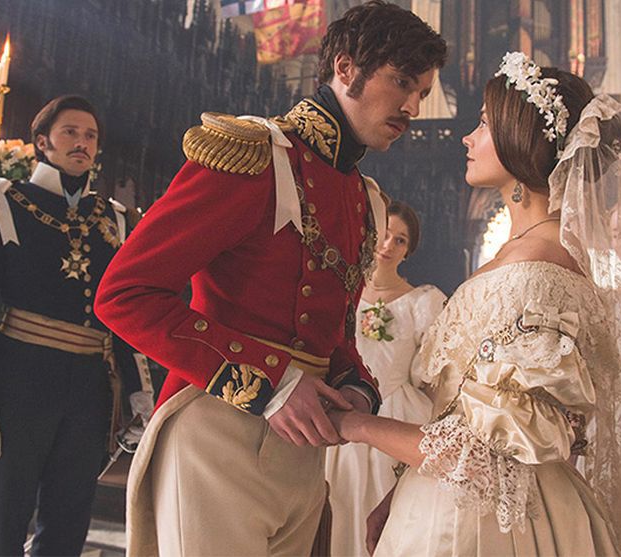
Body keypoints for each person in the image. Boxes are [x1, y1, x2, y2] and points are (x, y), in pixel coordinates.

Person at [94, 2, 447, 555]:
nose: (412, 107)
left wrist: (355, 386)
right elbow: (124, 294)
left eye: (422, 92)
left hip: (305, 451)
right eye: (402, 82)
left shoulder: (364, 196)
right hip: (217, 437)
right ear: (346, 67)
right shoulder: (253, 156)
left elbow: (332, 335)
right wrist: (272, 385)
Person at [331, 52, 621, 556]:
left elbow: (489, 454)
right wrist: (400, 488)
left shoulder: (537, 272)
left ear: (519, 139)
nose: (468, 138)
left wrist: (354, 424)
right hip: (446, 498)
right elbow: (463, 416)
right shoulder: (524, 253)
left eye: (484, 123)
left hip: (488, 525)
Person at [0, 95, 153, 556]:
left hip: (89, 389)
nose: (82, 143)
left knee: (68, 520)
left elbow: (123, 310)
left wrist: (139, 392)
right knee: (5, 519)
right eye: (70, 132)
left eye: (90, 136)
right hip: (19, 381)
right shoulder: (1, 203)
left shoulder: (115, 219)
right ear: (43, 142)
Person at [325, 201, 446, 556]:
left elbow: (431, 374)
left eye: (400, 240)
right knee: (337, 504)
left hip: (396, 412)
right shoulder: (341, 291)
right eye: (385, 234)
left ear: (408, 251)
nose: (388, 245)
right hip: (342, 406)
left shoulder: (422, 302)